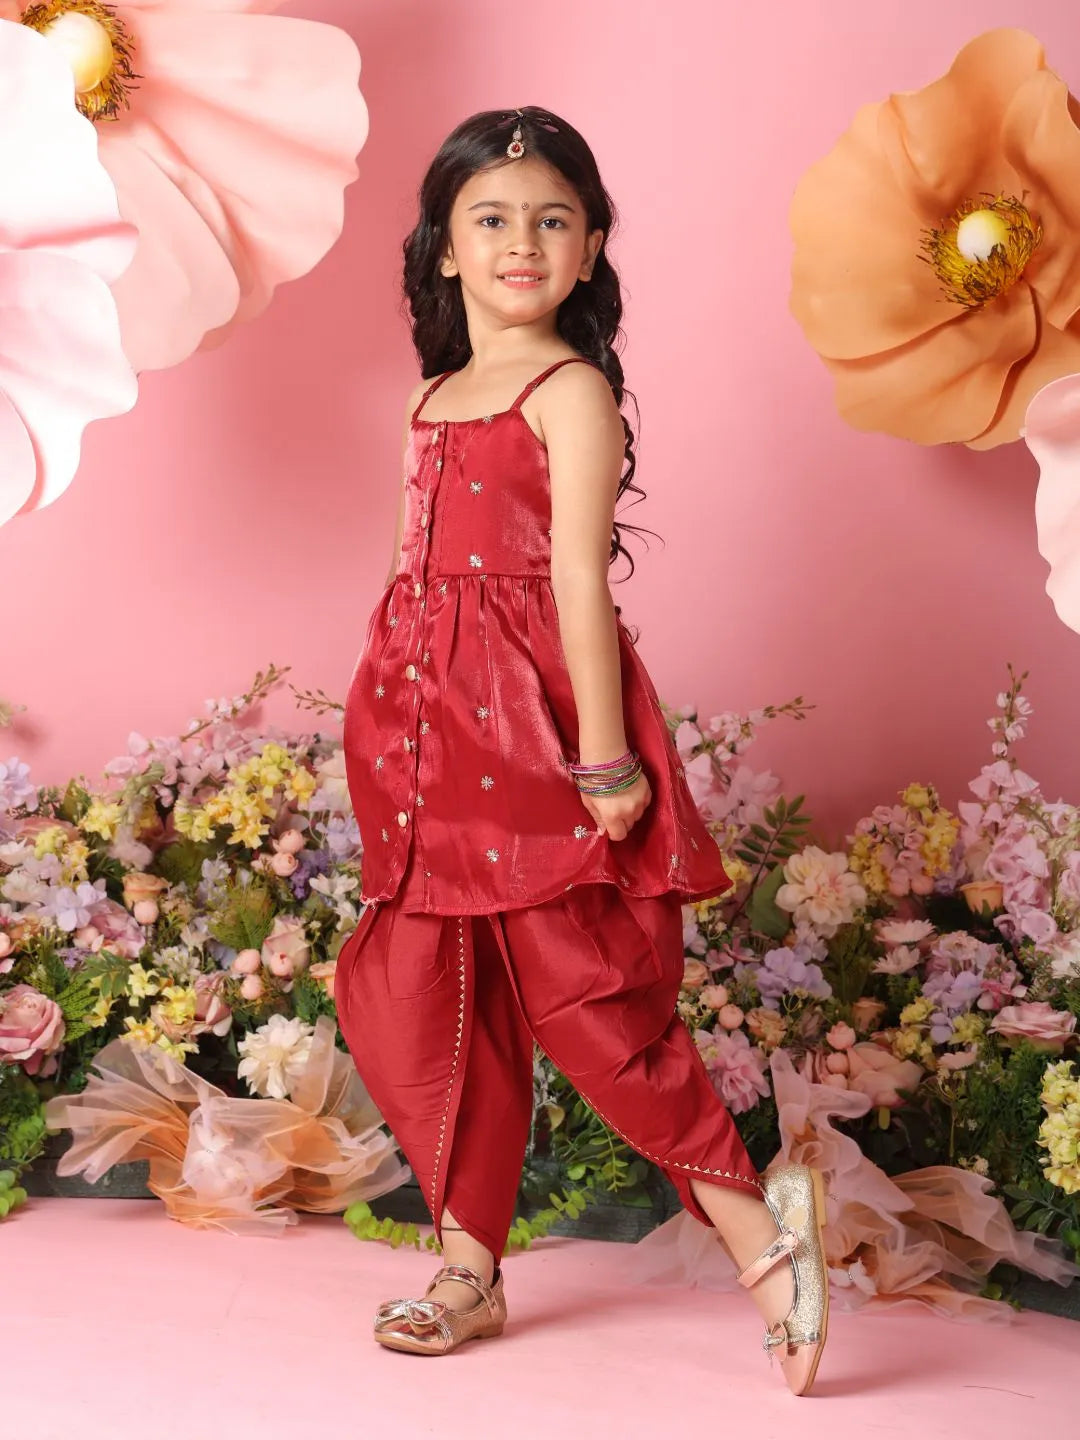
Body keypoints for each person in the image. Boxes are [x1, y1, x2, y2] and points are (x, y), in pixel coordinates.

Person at [334, 106, 829, 1395]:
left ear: (592, 245)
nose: (521, 241)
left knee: (588, 1001)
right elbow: (412, 580)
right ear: (442, 249)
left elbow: (574, 588)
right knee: (437, 996)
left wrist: (604, 763)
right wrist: (386, 722)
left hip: (539, 732)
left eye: (552, 219)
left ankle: (764, 1242)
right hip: (428, 731)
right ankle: (465, 1266)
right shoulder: (433, 394)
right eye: (490, 219)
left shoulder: (573, 390)